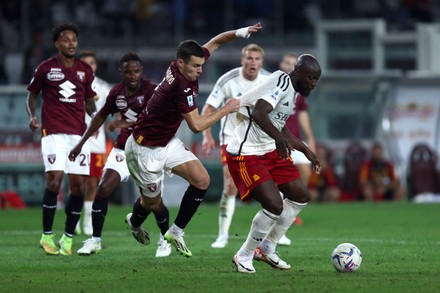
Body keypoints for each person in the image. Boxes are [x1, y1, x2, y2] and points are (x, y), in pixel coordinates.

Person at [124, 22, 263, 258]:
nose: (200, 70)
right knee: (151, 204)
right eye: (196, 66)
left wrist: (241, 32)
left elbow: (217, 41)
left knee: (202, 180)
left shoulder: (183, 63)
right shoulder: (180, 86)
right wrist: (226, 108)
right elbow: (197, 125)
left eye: (201, 65)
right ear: (181, 63)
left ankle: (176, 231)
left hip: (166, 142)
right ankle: (134, 223)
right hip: (143, 151)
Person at [69, 52, 172, 257]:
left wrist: (125, 123)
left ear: (141, 71)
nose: (132, 75)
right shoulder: (116, 92)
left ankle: (164, 239)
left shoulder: (151, 91)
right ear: (121, 72)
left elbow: (157, 119)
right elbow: (100, 116)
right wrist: (81, 143)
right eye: (128, 72)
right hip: (123, 149)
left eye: (136, 71)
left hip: (149, 151)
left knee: (153, 203)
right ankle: (95, 240)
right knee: (102, 189)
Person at [227, 54, 322, 273]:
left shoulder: (294, 91)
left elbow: (279, 124)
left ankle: (267, 247)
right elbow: (260, 113)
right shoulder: (281, 81)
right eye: (311, 77)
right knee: (274, 205)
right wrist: (279, 139)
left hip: (269, 149)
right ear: (298, 73)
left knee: (300, 195)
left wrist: (305, 149)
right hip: (247, 152)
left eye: (317, 78)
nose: (314, 83)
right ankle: (244, 254)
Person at [25, 22, 97, 256]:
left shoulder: (85, 71)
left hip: (78, 135)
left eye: (74, 40)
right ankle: (47, 236)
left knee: (78, 186)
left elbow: (89, 101)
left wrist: (96, 118)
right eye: (66, 39)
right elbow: (32, 95)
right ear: (57, 43)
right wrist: (32, 116)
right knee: (54, 180)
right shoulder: (45, 68)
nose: (71, 43)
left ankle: (67, 238)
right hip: (53, 132)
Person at [201, 43, 270, 249]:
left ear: (261, 62)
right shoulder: (228, 80)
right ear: (242, 60)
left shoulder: (269, 80)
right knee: (230, 185)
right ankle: (222, 235)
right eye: (249, 58)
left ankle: (272, 234)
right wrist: (206, 135)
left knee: (269, 186)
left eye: (257, 59)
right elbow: (209, 107)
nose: (253, 62)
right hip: (232, 139)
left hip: (258, 140)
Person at [276, 53, 317, 245]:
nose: (289, 66)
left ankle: (288, 207)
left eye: (292, 63)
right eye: (287, 62)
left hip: (294, 139)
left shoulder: (299, 93)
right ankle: (280, 212)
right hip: (278, 140)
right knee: (283, 176)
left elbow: (302, 116)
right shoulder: (275, 84)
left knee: (305, 171)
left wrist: (309, 140)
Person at [77, 50, 112, 236]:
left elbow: (113, 109)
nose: (89, 65)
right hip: (75, 139)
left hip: (97, 141)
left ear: (96, 65)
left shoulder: (104, 87)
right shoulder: (72, 84)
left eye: (92, 62)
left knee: (92, 183)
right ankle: (73, 218)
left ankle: (87, 222)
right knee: (76, 182)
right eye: (85, 62)